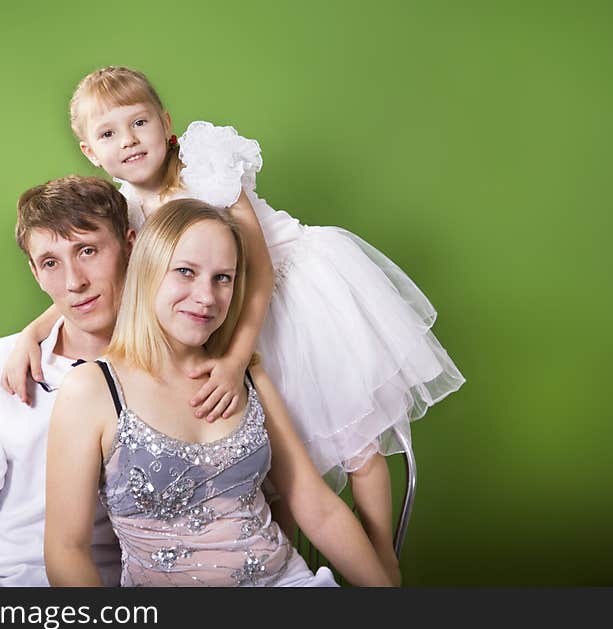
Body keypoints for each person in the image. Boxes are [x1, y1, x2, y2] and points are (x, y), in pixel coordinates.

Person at [10, 67, 466, 582]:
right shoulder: (128, 210)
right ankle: (276, 557)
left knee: (352, 439)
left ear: (166, 123)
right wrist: (34, 330)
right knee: (270, 465)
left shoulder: (203, 166)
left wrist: (232, 361)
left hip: (279, 292)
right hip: (217, 310)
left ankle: (383, 557)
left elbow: (259, 268)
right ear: (91, 151)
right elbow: (99, 278)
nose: (130, 141)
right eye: (109, 133)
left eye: (139, 123)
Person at [45, 198, 394, 586]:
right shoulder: (92, 389)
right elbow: (66, 550)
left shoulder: (246, 376)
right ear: (147, 271)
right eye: (185, 272)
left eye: (222, 278)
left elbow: (317, 508)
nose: (206, 297)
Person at [0, 176, 133, 586]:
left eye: (87, 250)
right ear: (35, 272)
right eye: (51, 262)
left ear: (130, 244)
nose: (74, 282)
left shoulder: (173, 369)